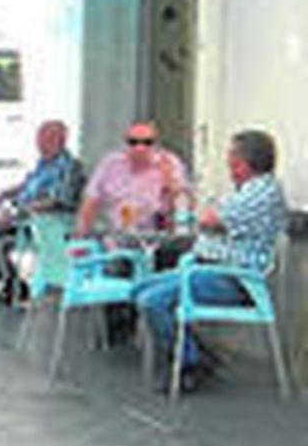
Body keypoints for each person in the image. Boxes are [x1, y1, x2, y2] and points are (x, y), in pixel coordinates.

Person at [134, 129, 287, 392]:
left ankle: (192, 363)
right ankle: (200, 355)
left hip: (235, 280)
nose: (227, 162)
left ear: (243, 162)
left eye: (230, 156)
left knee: (152, 300)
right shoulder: (247, 190)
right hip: (210, 269)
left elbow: (208, 219)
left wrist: (203, 213)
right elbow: (210, 218)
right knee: (139, 289)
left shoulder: (262, 191)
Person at [0, 120, 84, 304]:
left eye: (45, 140)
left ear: (60, 141)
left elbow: (58, 200)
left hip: (44, 225)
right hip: (22, 216)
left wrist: (21, 212)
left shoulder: (69, 167)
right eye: (38, 139)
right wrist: (4, 194)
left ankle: (12, 286)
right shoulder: (43, 163)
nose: (39, 145)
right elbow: (26, 184)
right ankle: (9, 281)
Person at [75, 121, 190, 237]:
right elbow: (90, 202)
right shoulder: (110, 164)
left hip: (157, 237)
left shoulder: (169, 163)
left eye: (147, 143)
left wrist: (170, 180)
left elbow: (183, 205)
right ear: (126, 143)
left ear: (155, 144)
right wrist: (81, 234)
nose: (140, 148)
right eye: (133, 142)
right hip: (118, 236)